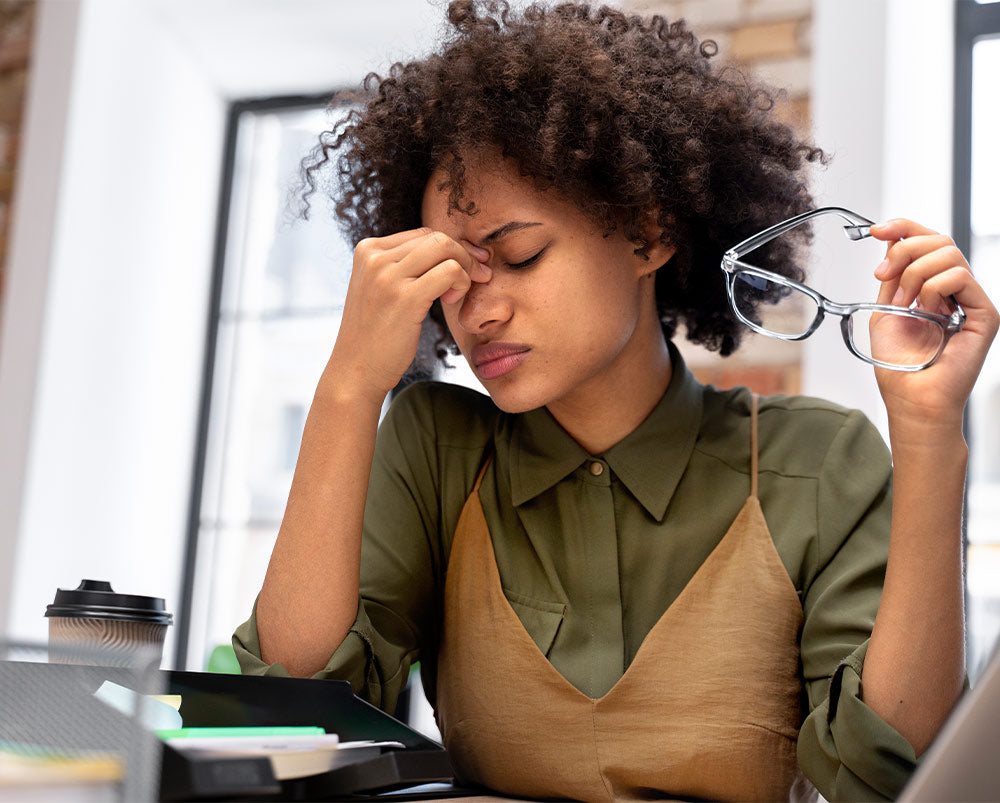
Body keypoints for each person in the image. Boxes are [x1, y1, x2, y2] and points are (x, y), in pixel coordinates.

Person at [233, 2, 999, 800]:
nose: (478, 310)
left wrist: (929, 431)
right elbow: (293, 713)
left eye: (520, 255)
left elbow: (888, 772)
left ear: (647, 233)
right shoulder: (436, 447)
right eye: (452, 276)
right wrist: (349, 386)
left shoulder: (815, 462)